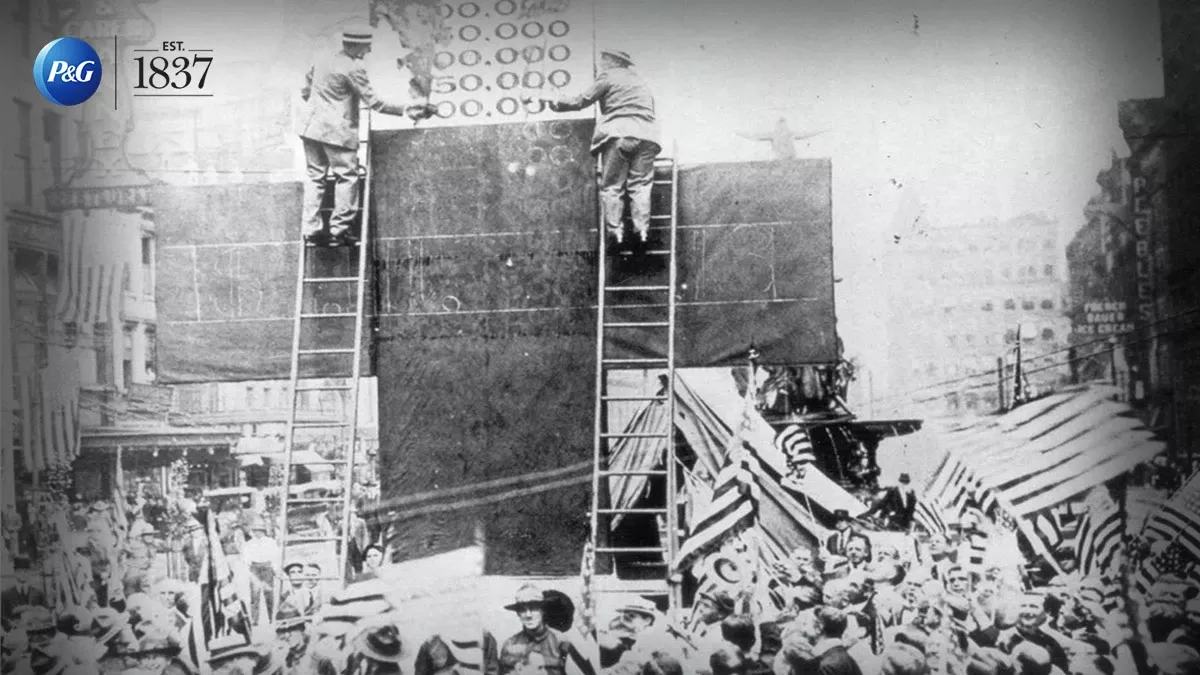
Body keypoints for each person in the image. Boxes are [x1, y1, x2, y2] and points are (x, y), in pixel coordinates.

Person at [298, 25, 435, 248]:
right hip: (337, 133)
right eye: (366, 45)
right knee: (347, 177)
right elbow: (375, 103)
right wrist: (407, 109)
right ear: (356, 44)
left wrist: (321, 107)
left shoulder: (322, 58)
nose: (368, 50)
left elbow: (306, 90)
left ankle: (311, 231)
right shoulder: (353, 68)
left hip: (310, 128)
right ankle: (338, 231)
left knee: (315, 177)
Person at [534, 49, 660, 245]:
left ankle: (615, 233)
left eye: (602, 60)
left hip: (619, 133)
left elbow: (580, 101)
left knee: (612, 186)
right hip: (648, 137)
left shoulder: (609, 76)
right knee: (641, 186)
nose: (600, 64)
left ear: (611, 61)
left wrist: (553, 100)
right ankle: (642, 231)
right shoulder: (640, 82)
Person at [498, 584, 592, 675]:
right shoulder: (509, 645)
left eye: (533, 608)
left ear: (542, 610)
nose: (528, 615)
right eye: (523, 610)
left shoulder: (562, 642)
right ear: (518, 613)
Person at [241, 520, 281, 624]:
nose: (258, 533)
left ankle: (272, 618)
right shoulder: (249, 544)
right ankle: (254, 620)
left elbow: (275, 555)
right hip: (255, 568)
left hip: (267, 567)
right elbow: (246, 558)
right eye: (255, 530)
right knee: (255, 595)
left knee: (269, 594)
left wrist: (275, 569)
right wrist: (248, 572)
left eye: (260, 530)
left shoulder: (270, 542)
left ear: (264, 531)